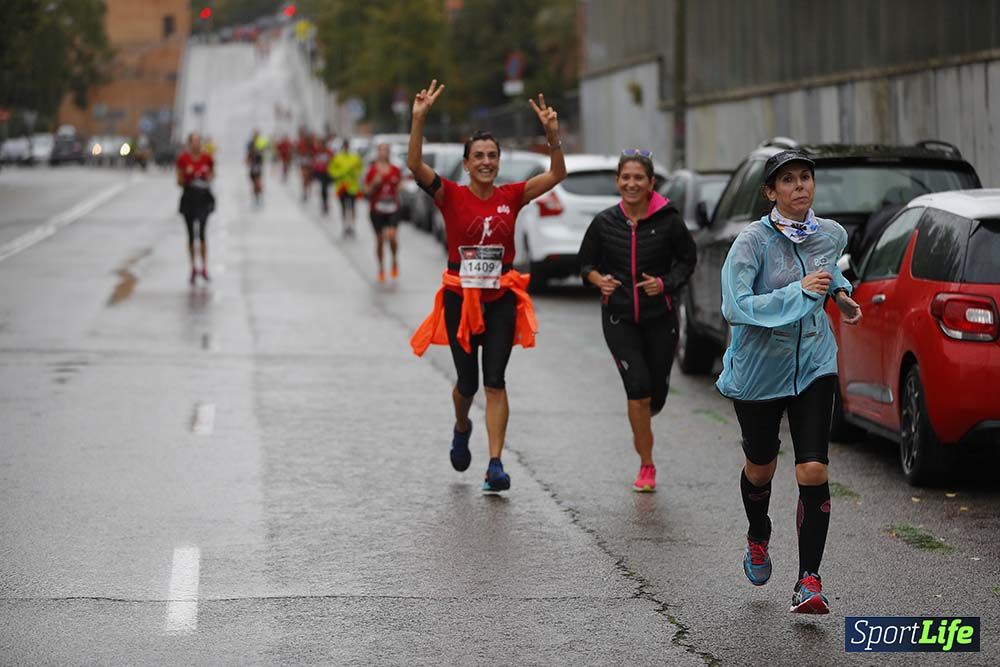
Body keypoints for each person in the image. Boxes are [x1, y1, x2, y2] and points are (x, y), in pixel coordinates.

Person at [716, 149, 863, 614]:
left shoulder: (831, 234)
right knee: (761, 467)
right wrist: (795, 293)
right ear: (771, 191)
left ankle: (809, 581)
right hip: (760, 371)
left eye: (806, 178)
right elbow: (735, 306)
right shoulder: (751, 243)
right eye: (788, 180)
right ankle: (759, 535)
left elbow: (830, 269)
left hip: (814, 365)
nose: (800, 186)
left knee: (813, 469)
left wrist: (842, 295)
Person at [408, 80, 566, 492]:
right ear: (466, 163)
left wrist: (552, 137)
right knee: (467, 384)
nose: (486, 161)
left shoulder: (513, 195)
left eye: (492, 156)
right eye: (478, 155)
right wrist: (418, 120)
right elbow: (414, 166)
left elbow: (557, 174)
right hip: (461, 300)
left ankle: (495, 463)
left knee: (495, 381)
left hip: (500, 300)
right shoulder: (451, 196)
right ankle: (461, 426)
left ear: (498, 161)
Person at [577, 149, 697, 492]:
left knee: (655, 396)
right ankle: (646, 465)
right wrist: (598, 280)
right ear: (617, 182)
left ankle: (644, 413)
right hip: (619, 317)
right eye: (625, 178)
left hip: (661, 317)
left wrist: (664, 284)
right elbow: (586, 265)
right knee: (638, 389)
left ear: (650, 183)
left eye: (638, 178)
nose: (631, 184)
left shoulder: (669, 220)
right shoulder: (604, 223)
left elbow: (687, 261)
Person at [175, 132, 215, 284]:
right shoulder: (183, 159)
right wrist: (187, 175)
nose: (196, 144)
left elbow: (212, 175)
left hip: (203, 198)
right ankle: (193, 267)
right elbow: (178, 181)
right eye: (194, 141)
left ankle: (204, 267)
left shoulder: (207, 158)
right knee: (191, 235)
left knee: (203, 233)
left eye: (199, 141)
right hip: (189, 198)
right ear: (189, 143)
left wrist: (205, 175)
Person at [363, 143, 402, 282]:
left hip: (392, 208)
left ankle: (394, 260)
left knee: (392, 236)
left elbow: (400, 187)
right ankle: (381, 268)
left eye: (386, 150)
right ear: (377, 153)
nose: (384, 153)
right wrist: (374, 183)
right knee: (379, 240)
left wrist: (398, 189)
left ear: (389, 153)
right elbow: (366, 191)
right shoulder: (372, 171)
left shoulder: (396, 170)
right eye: (381, 150)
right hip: (376, 209)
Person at [329, 139, 362, 237]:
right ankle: (345, 226)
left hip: (352, 187)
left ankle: (352, 225)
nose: (346, 148)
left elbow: (359, 169)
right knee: (343, 207)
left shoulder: (355, 158)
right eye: (345, 146)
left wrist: (353, 173)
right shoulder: (337, 158)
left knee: (352, 207)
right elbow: (331, 170)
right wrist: (342, 172)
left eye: (347, 146)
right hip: (341, 187)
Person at [311, 136, 335, 215]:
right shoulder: (317, 151)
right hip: (319, 173)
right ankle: (324, 203)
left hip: (327, 173)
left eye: (322, 144)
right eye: (320, 144)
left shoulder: (329, 152)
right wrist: (314, 171)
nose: (321, 146)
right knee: (321, 189)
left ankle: (325, 203)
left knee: (325, 189)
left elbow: (333, 161)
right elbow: (314, 161)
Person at [246, 129, 265, 206]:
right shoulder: (250, 145)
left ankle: (259, 197)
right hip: (253, 168)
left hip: (258, 167)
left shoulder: (260, 145)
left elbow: (262, 156)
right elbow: (247, 159)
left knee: (258, 183)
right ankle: (256, 198)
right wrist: (249, 162)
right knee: (254, 184)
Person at [296, 129, 314, 203]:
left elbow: (314, 153)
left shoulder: (311, 144)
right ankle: (305, 192)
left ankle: (308, 190)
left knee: (309, 178)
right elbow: (299, 152)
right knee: (305, 178)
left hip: (309, 164)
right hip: (304, 163)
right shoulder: (301, 143)